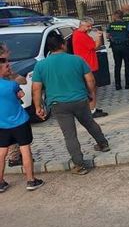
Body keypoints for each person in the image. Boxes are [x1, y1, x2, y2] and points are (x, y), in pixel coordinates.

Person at [32, 33, 110, 175]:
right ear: (63, 44)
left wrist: (38, 106)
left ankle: (79, 165)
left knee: (70, 135)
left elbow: (36, 88)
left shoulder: (40, 65)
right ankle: (103, 144)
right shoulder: (77, 60)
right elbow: (91, 80)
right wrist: (92, 95)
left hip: (58, 104)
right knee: (89, 123)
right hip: (80, 100)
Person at [0, 57, 44, 192]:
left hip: (2, 124)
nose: (9, 68)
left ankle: (0, 182)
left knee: (1, 153)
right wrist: (12, 78)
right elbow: (21, 94)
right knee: (25, 150)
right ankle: (31, 180)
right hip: (20, 122)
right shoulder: (12, 85)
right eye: (7, 67)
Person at [71, 18, 108, 118]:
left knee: (92, 88)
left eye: (91, 26)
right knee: (91, 88)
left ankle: (92, 108)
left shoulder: (78, 34)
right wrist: (99, 37)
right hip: (89, 65)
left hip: (88, 64)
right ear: (81, 25)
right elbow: (95, 46)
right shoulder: (81, 36)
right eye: (88, 26)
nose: (90, 28)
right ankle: (91, 110)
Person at [0, 42, 26, 168]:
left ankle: (16, 156)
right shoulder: (5, 69)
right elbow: (21, 81)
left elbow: (22, 80)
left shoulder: (8, 68)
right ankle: (14, 158)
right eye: (6, 50)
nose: (9, 52)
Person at [105, 10, 129, 90]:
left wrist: (114, 37)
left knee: (117, 65)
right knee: (128, 65)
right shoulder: (127, 25)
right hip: (125, 46)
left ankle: (118, 85)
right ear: (122, 16)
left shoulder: (110, 25)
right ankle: (128, 84)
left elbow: (107, 36)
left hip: (115, 47)